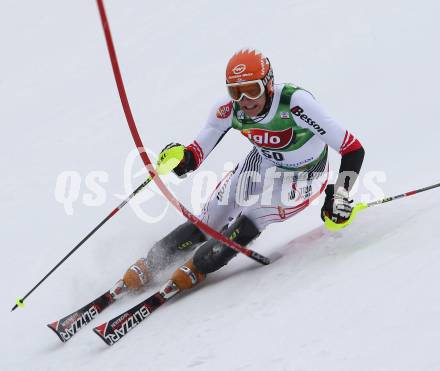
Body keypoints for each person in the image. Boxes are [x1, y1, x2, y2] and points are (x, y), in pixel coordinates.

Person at [111, 48, 365, 298]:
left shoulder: (295, 103)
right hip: (263, 162)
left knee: (255, 214)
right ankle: (153, 262)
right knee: (211, 218)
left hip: (305, 176)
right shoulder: (228, 109)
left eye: (252, 90)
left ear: (268, 85)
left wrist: (340, 196)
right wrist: (180, 159)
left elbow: (352, 148)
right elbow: (195, 154)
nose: (244, 101)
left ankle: (200, 266)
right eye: (235, 91)